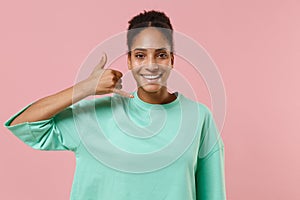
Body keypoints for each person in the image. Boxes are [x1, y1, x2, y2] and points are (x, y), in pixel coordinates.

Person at [4, 10, 226, 200]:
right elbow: (24, 125)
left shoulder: (198, 117)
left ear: (172, 60)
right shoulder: (96, 115)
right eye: (140, 55)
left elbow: (212, 194)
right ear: (129, 61)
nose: (151, 65)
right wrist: (86, 88)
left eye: (160, 55)